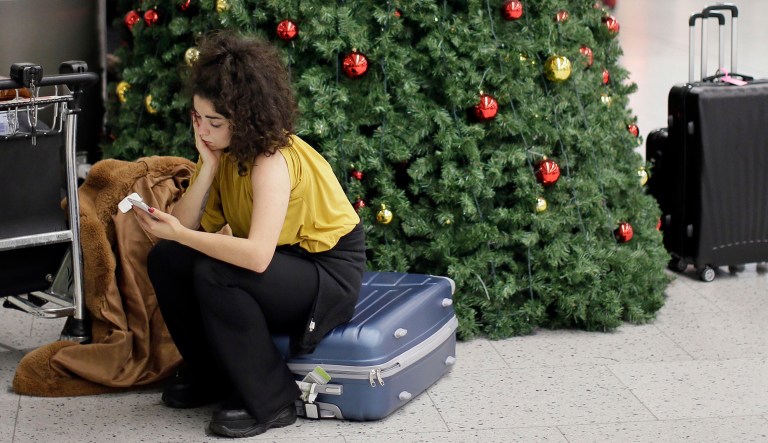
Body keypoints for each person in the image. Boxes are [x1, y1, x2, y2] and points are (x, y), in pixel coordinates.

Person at [133, 30, 366, 438]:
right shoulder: (224, 152)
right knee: (167, 259)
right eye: (197, 118)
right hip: (282, 261)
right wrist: (205, 165)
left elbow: (257, 256)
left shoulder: (271, 161)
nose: (203, 130)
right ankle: (212, 377)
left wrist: (180, 235)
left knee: (216, 272)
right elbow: (182, 229)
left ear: (245, 119)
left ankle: (272, 400)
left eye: (214, 122)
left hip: (323, 271)